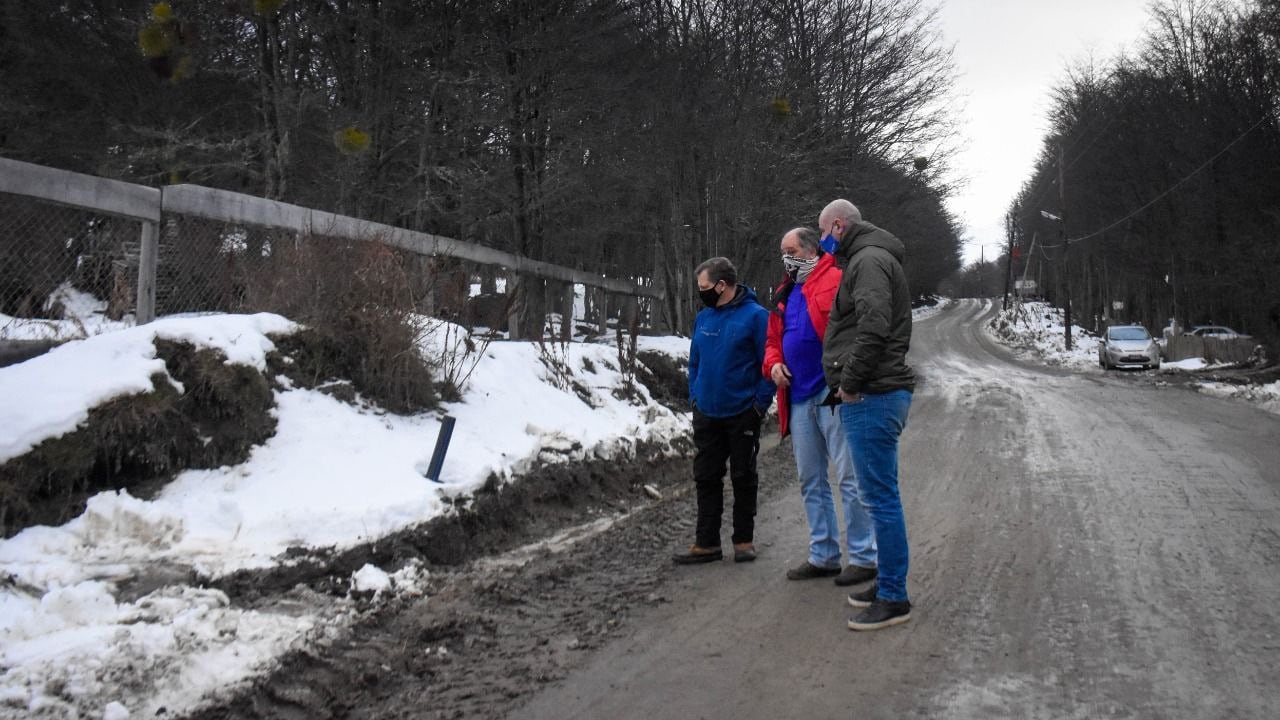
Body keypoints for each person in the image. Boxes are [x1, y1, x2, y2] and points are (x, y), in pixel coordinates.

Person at [818, 199, 916, 631]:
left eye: (823, 233)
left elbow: (874, 326)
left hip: (872, 395)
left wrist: (850, 383)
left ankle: (894, 596)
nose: (823, 242)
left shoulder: (868, 260)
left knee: (880, 498)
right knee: (879, 498)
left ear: (838, 226)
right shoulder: (869, 256)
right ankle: (887, 583)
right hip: (875, 392)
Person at [763, 227, 877, 586]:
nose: (786, 258)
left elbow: (859, 330)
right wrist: (774, 364)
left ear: (811, 250)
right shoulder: (784, 292)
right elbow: (772, 341)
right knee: (811, 479)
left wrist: (853, 379)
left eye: (791, 249)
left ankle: (863, 557)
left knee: (849, 477)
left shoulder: (839, 279)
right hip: (797, 399)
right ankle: (823, 554)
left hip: (834, 395)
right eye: (783, 251)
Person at [673, 257, 775, 565]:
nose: (700, 293)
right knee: (706, 477)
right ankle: (706, 543)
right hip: (707, 412)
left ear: (722, 285)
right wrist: (694, 397)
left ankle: (743, 541)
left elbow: (768, 365)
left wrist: (759, 405)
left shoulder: (757, 317)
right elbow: (694, 362)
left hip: (743, 412)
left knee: (743, 477)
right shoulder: (704, 317)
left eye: (704, 287)